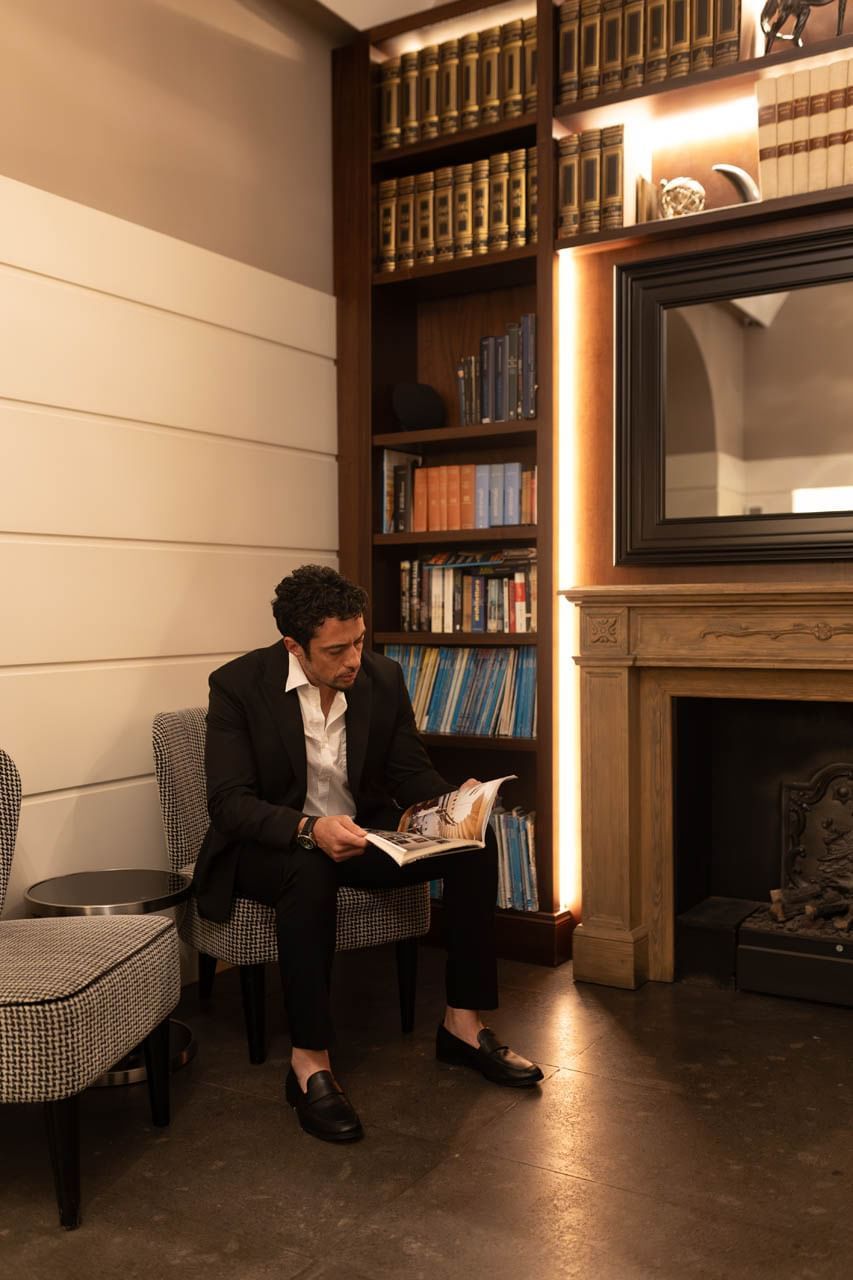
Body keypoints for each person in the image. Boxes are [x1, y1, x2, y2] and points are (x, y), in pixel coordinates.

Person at [193, 564, 543, 1143]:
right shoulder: (237, 685)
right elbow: (229, 804)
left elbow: (408, 771)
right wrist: (310, 828)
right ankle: (310, 1062)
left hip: (361, 835)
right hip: (271, 847)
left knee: (474, 848)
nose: (354, 658)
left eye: (358, 640)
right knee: (308, 868)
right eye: (336, 649)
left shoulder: (382, 676)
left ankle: (462, 1025)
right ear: (294, 646)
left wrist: (450, 806)